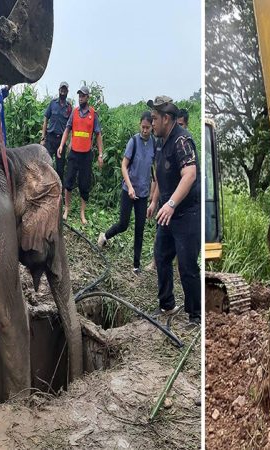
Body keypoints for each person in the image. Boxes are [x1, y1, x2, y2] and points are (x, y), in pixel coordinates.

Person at [146, 96, 200, 329]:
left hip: (185, 214)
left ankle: (195, 316)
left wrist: (171, 204)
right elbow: (160, 176)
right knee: (161, 256)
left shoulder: (182, 140)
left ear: (167, 119)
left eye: (155, 118)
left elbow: (190, 174)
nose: (152, 122)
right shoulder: (161, 141)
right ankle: (167, 304)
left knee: (187, 266)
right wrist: (155, 201)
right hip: (167, 212)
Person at [97, 112, 156, 275]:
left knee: (140, 229)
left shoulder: (154, 144)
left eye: (148, 128)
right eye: (143, 127)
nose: (145, 130)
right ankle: (105, 236)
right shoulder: (134, 142)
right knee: (123, 224)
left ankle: (136, 265)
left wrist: (152, 194)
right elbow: (124, 166)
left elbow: (154, 171)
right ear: (140, 125)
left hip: (143, 194)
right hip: (128, 190)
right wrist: (129, 187)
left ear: (152, 127)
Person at [57, 85, 104, 224]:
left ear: (87, 97)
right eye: (79, 96)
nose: (80, 98)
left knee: (84, 184)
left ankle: (82, 213)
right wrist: (61, 145)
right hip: (74, 154)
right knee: (69, 181)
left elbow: (98, 135)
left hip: (86, 155)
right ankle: (67, 209)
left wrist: (100, 154)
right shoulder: (75, 112)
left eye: (83, 96)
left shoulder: (93, 114)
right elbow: (67, 129)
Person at [41, 81, 72, 183]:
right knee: (46, 164)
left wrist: (69, 142)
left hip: (61, 142)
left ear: (67, 91)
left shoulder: (69, 107)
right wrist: (43, 138)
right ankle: (45, 186)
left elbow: (71, 126)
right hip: (50, 138)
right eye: (61, 89)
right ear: (59, 90)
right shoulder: (53, 103)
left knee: (60, 168)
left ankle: (59, 192)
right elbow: (46, 119)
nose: (63, 91)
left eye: (65, 89)